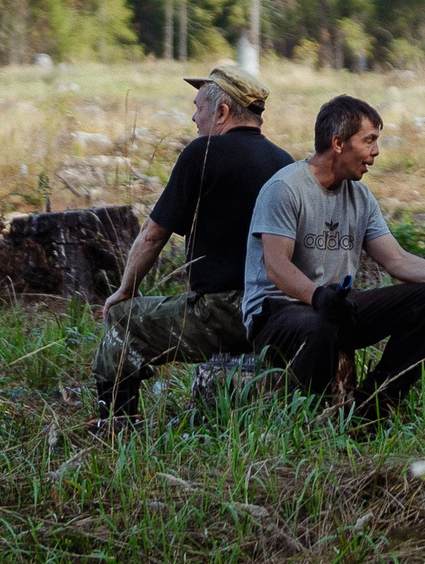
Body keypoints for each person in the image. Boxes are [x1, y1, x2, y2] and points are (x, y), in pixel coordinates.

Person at [245, 94, 425, 421]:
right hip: (278, 314)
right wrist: (318, 297)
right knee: (319, 323)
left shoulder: (360, 196)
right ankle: (313, 423)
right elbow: (276, 266)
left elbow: (397, 261)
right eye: (369, 141)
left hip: (333, 308)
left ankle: (370, 411)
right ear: (338, 143)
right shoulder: (285, 188)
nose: (376, 152)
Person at [90, 62, 293, 420]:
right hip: (274, 310)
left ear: (223, 111)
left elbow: (152, 236)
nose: (193, 118)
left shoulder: (202, 154)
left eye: (198, 107)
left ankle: (115, 425)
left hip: (222, 312)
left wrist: (125, 289)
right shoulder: (284, 161)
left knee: (123, 320)